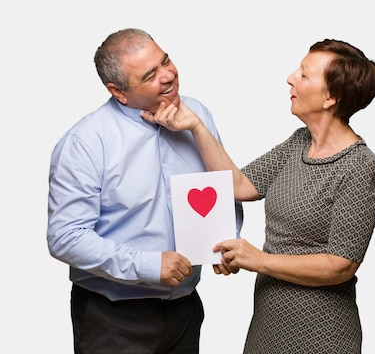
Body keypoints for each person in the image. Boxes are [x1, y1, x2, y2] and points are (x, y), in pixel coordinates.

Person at [142, 38, 375, 353]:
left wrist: (257, 259)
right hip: (269, 321)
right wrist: (196, 127)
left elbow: (340, 265)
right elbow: (240, 186)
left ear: (330, 97)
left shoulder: (360, 166)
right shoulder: (299, 143)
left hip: (322, 330)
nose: (290, 77)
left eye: (305, 74)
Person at [47, 28, 243, 354]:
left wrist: (227, 238)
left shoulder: (198, 115)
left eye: (165, 60)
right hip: (113, 320)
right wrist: (148, 265)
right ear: (118, 92)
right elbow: (65, 236)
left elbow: (223, 186)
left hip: (185, 310)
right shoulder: (85, 143)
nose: (168, 76)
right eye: (149, 75)